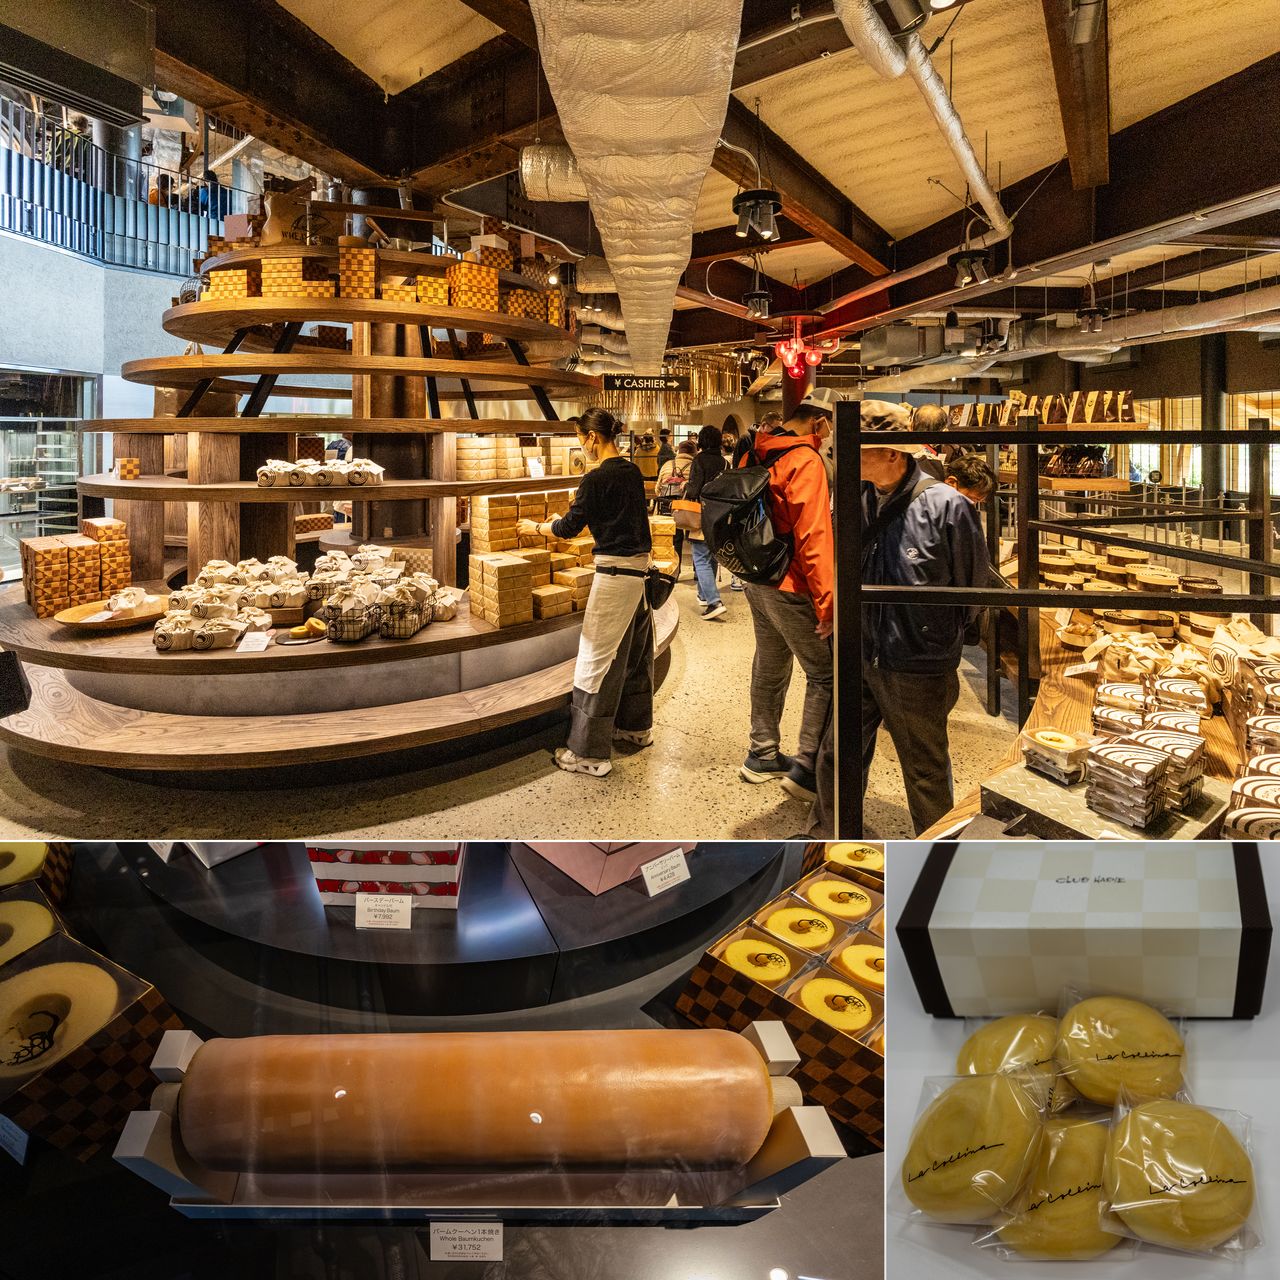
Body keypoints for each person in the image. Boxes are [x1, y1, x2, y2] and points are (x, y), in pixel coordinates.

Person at [859, 404, 990, 834]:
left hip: (917, 662)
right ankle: (831, 833)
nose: (849, 457)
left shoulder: (948, 506)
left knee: (925, 769)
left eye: (861, 449)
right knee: (837, 753)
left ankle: (938, 860)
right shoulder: (858, 497)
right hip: (861, 652)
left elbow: (972, 587)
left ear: (893, 454)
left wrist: (935, 637)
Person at [517, 408, 653, 778]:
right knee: (636, 658)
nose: (582, 446)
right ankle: (636, 727)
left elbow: (568, 527)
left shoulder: (594, 479)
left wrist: (535, 526)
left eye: (580, 438)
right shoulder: (632, 471)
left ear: (592, 438)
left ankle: (589, 753)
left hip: (614, 578)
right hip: (640, 577)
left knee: (597, 663)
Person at [737, 389, 835, 811]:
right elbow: (813, 535)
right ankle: (808, 768)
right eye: (830, 427)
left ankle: (762, 753)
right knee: (826, 674)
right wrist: (828, 602)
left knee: (770, 661)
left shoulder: (755, 452)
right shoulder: (806, 460)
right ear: (820, 423)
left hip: (755, 577)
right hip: (790, 583)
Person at [684, 425, 728, 620]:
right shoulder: (725, 463)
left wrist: (685, 486)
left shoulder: (699, 460)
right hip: (721, 517)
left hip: (702, 515)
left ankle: (714, 601)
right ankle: (703, 594)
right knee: (711, 556)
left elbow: (693, 490)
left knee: (700, 557)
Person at [654, 440, 696, 576]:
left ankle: (674, 573)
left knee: (674, 538)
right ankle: (697, 572)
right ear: (693, 452)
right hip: (688, 506)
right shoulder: (695, 465)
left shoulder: (667, 464)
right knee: (694, 536)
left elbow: (657, 489)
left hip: (668, 506)